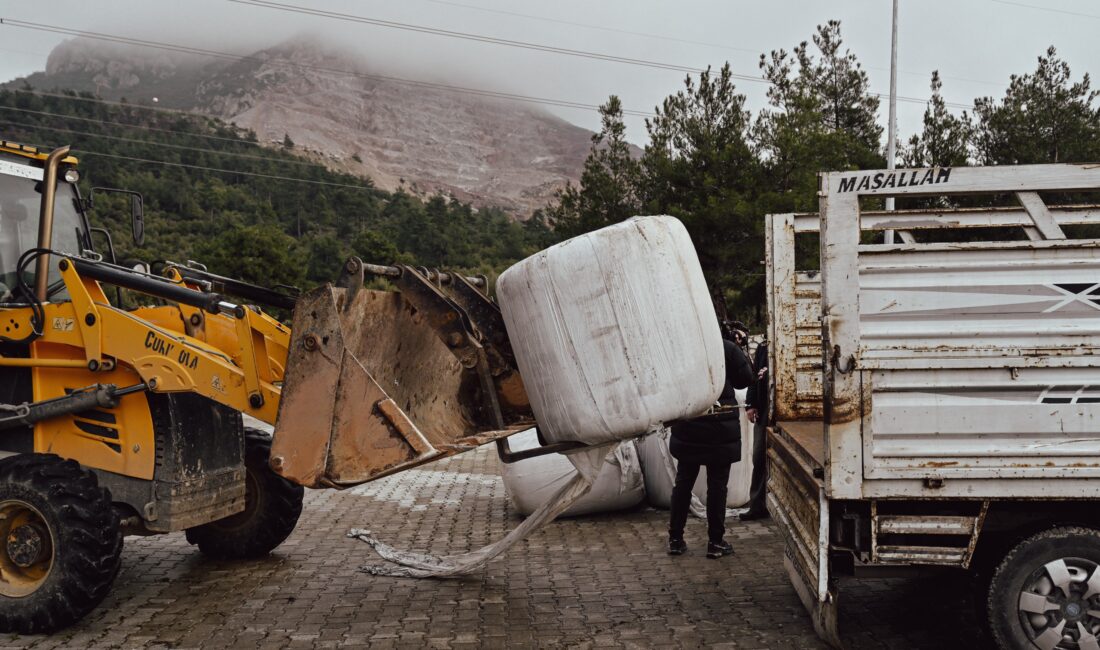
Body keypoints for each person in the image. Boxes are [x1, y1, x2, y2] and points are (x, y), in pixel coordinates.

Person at [667, 323, 752, 559]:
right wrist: (739, 347)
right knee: (717, 486)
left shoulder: (681, 350)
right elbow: (745, 379)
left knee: (683, 482)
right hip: (719, 427)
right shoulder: (726, 348)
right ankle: (715, 542)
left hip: (689, 424)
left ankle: (675, 539)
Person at [741, 338, 770, 521]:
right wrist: (750, 404)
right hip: (764, 408)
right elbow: (753, 377)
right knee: (758, 456)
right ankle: (757, 505)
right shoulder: (764, 347)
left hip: (782, 408)